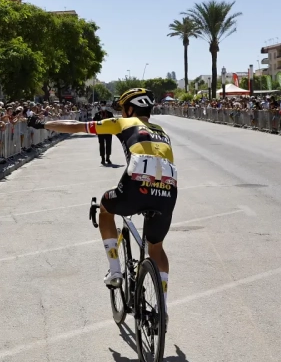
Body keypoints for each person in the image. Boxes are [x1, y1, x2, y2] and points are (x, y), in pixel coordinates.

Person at [38, 88, 177, 323]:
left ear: (129, 109)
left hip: (136, 183)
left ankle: (115, 271)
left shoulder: (122, 122)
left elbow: (76, 126)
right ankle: (162, 308)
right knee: (156, 248)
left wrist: (43, 124)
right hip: (168, 188)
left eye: (123, 108)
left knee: (105, 206)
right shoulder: (162, 131)